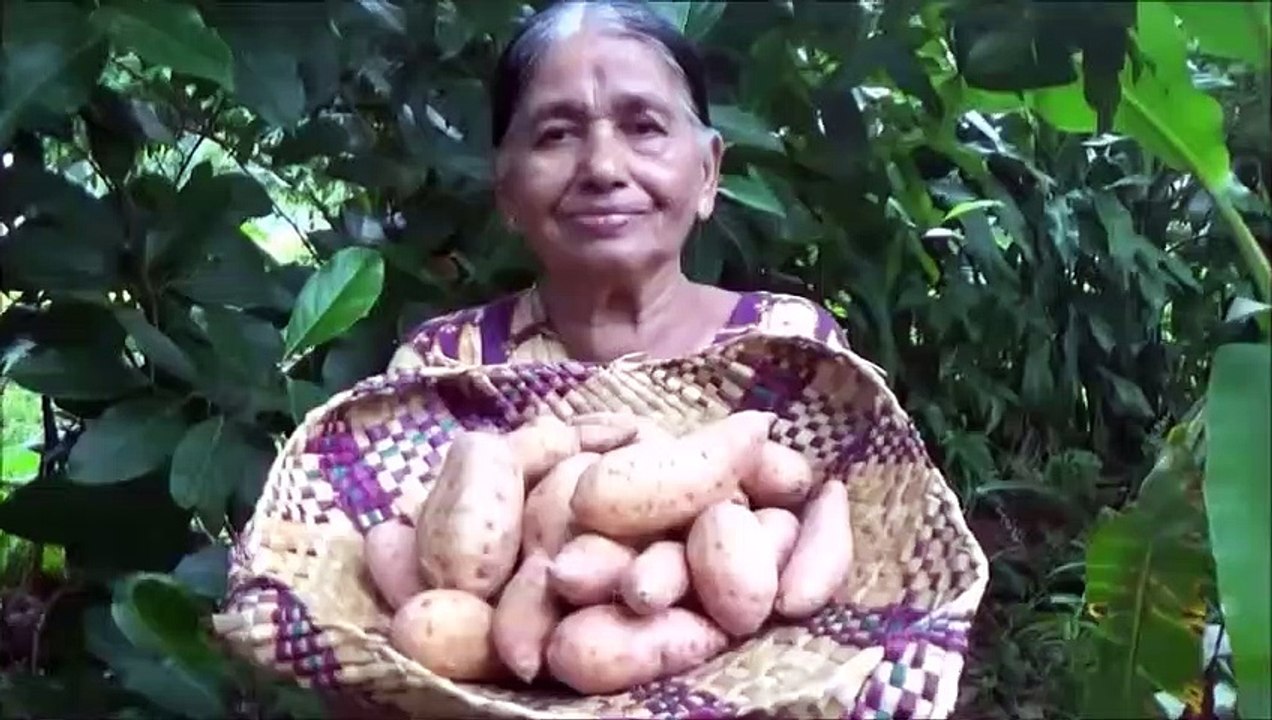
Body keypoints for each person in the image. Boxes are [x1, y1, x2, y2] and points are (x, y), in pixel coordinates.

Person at [387, 0, 850, 372]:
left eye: (644, 127)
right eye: (557, 134)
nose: (603, 168)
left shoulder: (791, 349)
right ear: (506, 187)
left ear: (708, 173)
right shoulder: (444, 368)